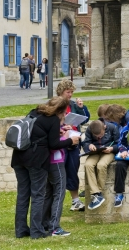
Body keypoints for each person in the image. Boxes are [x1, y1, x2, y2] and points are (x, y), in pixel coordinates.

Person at [11, 97, 79, 239]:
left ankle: (21, 229)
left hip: (19, 157)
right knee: (38, 195)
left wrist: (57, 132)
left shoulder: (35, 112)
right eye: (64, 112)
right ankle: (37, 231)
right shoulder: (53, 119)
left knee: (23, 194)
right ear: (60, 111)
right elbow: (53, 144)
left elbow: (38, 133)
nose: (64, 115)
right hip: (36, 161)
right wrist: (69, 140)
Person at [56, 79, 90, 211]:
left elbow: (85, 118)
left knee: (73, 170)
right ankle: (55, 201)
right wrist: (63, 126)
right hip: (61, 142)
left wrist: (82, 108)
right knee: (58, 172)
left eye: (71, 92)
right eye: (67, 92)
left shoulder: (73, 104)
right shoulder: (55, 104)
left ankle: (75, 201)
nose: (70, 95)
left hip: (74, 141)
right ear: (61, 92)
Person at [42, 112, 75, 236]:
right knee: (59, 194)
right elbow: (54, 144)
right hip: (56, 163)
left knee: (48, 194)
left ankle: (44, 223)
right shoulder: (53, 125)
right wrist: (67, 138)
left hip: (48, 163)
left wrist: (61, 130)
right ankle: (54, 227)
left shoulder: (46, 125)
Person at [83, 117, 120, 210]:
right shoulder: (90, 129)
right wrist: (89, 145)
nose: (99, 137)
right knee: (88, 165)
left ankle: (98, 192)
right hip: (95, 152)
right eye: (96, 136)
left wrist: (112, 148)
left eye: (100, 135)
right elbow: (85, 143)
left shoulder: (112, 127)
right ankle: (97, 194)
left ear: (104, 127)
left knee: (101, 165)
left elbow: (120, 143)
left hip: (109, 151)